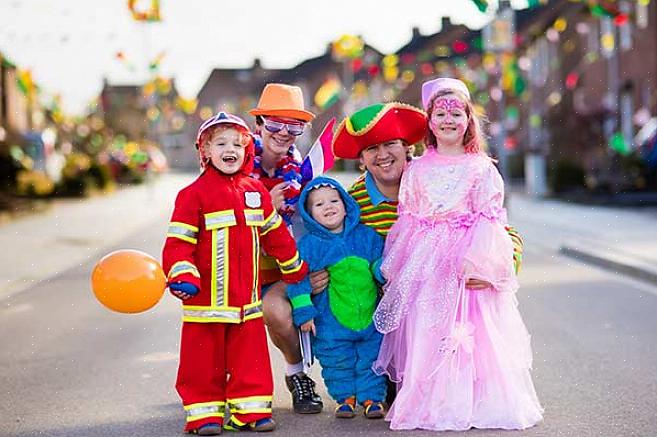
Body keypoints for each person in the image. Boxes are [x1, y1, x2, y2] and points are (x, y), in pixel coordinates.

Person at [372, 78, 543, 431]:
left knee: (469, 334)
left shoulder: (481, 168)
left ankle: (474, 400)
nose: (448, 120)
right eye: (440, 113)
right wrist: (400, 268)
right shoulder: (416, 169)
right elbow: (408, 220)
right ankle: (432, 400)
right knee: (428, 330)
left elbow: (491, 220)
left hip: (465, 263)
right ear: (429, 122)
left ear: (468, 121)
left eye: (456, 113)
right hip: (427, 265)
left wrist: (482, 263)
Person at [162, 112, 307, 435]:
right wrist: (182, 273)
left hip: (247, 302)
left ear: (246, 151)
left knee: (250, 360)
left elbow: (275, 234)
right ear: (206, 152)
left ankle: (250, 410)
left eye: (237, 145)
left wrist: (294, 266)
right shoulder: (192, 195)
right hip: (205, 303)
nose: (231, 150)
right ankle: (203, 414)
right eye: (221, 144)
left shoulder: (254, 191)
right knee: (202, 361)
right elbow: (178, 243)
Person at [248, 83, 324, 414]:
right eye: (275, 124)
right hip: (241, 268)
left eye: (294, 127)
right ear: (259, 125)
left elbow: (315, 223)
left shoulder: (302, 173)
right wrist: (265, 208)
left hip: (285, 269)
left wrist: (319, 268)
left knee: (276, 311)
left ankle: (297, 375)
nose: (284, 133)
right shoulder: (233, 165)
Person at [286, 176, 387, 419]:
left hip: (369, 317)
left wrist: (384, 271)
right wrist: (304, 312)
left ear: (346, 204)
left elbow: (378, 263)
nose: (328, 206)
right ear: (309, 214)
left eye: (334, 200)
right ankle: (345, 398)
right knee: (336, 359)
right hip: (330, 321)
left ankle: (372, 398)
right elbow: (297, 280)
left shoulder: (367, 236)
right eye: (319, 205)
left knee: (371, 357)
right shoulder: (309, 245)